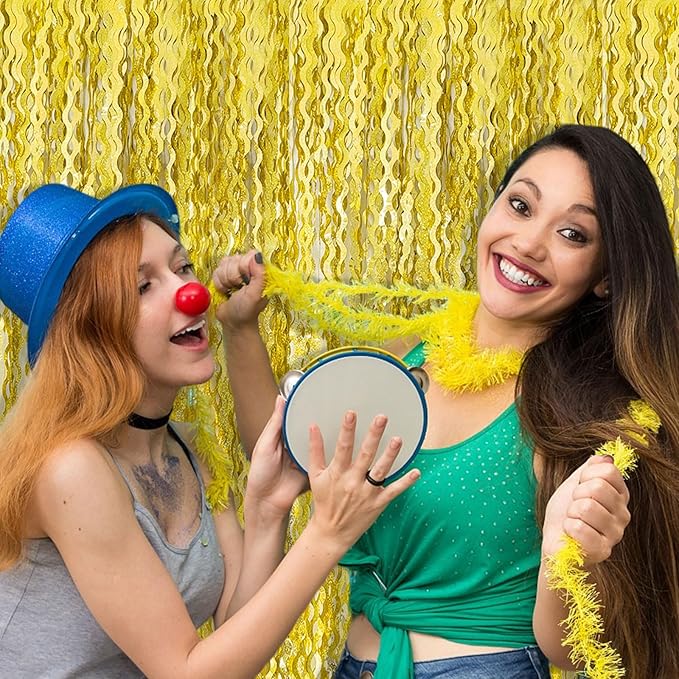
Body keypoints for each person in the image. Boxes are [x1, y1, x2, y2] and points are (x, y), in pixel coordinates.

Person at [212, 124, 679, 679]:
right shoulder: (408, 353)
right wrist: (239, 329)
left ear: (605, 277)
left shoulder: (598, 418)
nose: (529, 243)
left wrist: (565, 555)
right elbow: (288, 459)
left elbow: (577, 651)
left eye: (573, 234)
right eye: (521, 205)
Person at [0, 183, 420, 678]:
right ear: (92, 332)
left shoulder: (188, 450)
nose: (191, 293)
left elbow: (233, 639)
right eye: (143, 286)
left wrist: (269, 508)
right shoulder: (71, 469)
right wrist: (327, 535)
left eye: (181, 268)